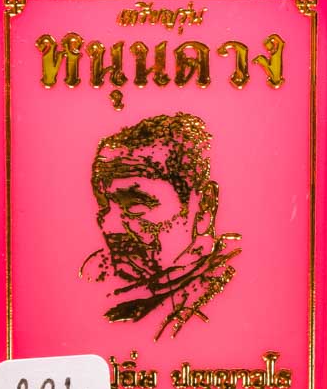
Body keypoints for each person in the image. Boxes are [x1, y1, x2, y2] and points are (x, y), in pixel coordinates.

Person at [79, 112, 242, 340]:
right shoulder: (96, 273)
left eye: (135, 207)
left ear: (204, 205)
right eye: (103, 205)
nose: (110, 228)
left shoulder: (236, 299)